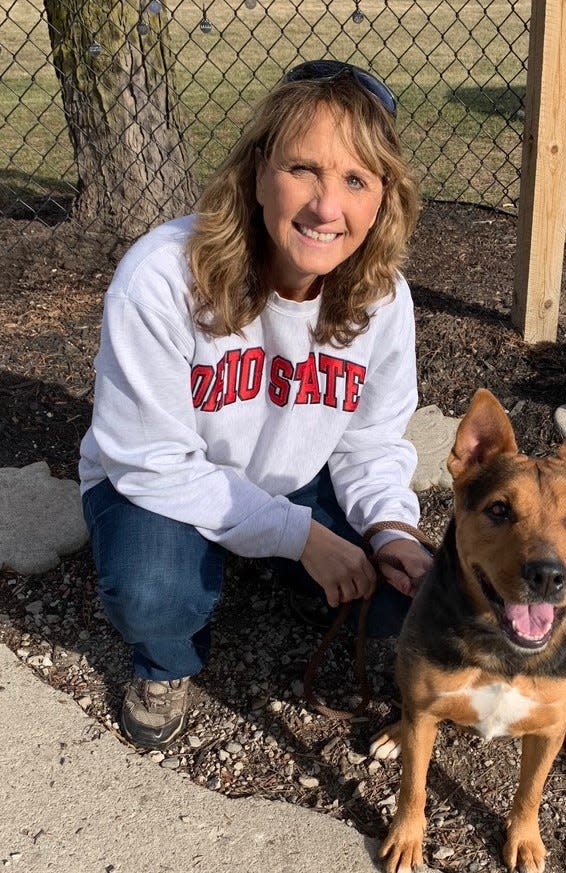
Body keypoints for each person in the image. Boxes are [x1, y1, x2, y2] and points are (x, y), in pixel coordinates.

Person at [79, 59, 433, 751]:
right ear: (258, 170)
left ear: (383, 198)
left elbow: (371, 442)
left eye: (355, 180)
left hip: (291, 475)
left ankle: (304, 575)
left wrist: (391, 530)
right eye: (305, 168)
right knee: (155, 590)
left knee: (407, 596)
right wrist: (301, 536)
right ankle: (166, 661)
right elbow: (147, 458)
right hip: (164, 482)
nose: (327, 207)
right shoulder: (160, 276)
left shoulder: (383, 297)